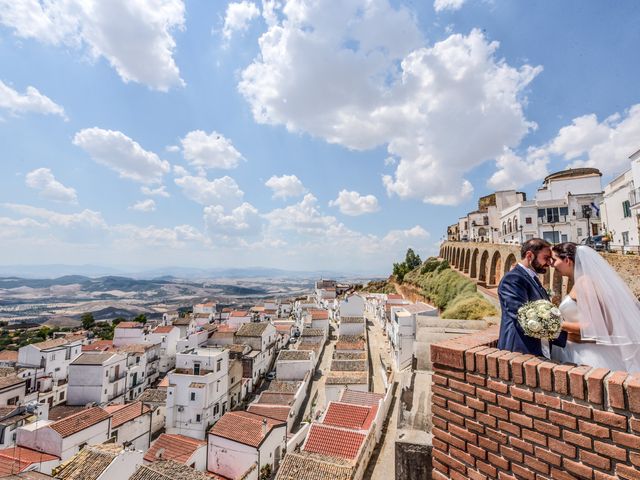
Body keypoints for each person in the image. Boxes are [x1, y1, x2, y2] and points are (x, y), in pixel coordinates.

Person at [550, 242, 640, 372]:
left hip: (588, 355)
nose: (552, 264)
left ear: (567, 260)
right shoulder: (583, 281)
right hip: (578, 349)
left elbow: (597, 327)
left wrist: (558, 324)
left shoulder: (585, 283)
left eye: (554, 260)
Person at [497, 238, 568, 356]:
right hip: (519, 350)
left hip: (537, 349)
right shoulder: (513, 279)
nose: (550, 263)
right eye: (546, 258)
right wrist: (568, 337)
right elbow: (522, 318)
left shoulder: (532, 278)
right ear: (529, 255)